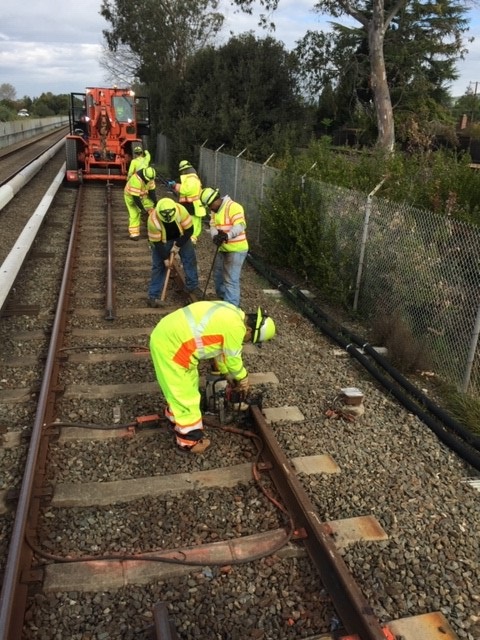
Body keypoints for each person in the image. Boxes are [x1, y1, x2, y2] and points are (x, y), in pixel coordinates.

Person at [149, 301, 276, 454]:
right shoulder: (237, 329)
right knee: (185, 394)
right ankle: (189, 442)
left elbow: (221, 351)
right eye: (248, 339)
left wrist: (225, 374)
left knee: (188, 384)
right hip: (173, 347)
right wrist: (243, 378)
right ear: (249, 330)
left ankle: (174, 414)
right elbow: (233, 360)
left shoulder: (233, 312)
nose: (245, 341)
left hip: (170, 335)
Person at [147, 197, 203, 307]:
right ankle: (153, 296)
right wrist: (165, 259)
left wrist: (178, 245)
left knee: (190, 260)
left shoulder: (181, 210)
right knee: (158, 267)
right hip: (162, 241)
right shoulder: (152, 220)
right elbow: (156, 243)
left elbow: (189, 230)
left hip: (182, 237)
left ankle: (192, 287)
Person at [200, 187, 248, 307]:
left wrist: (227, 235)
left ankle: (231, 307)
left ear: (215, 201)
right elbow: (212, 225)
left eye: (210, 206)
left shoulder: (234, 207)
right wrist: (215, 236)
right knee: (218, 274)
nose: (210, 209)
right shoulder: (214, 211)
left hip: (237, 249)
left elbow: (240, 226)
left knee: (231, 279)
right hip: (223, 248)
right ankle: (222, 299)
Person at [168, 160, 206, 244]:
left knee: (192, 223)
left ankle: (190, 240)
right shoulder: (192, 178)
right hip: (191, 205)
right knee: (192, 223)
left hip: (192, 205)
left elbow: (186, 190)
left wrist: (175, 186)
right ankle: (189, 239)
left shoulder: (191, 178)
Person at [124, 166, 157, 240]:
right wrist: (142, 209)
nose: (148, 181)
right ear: (144, 176)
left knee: (151, 208)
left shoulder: (150, 178)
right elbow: (136, 198)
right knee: (135, 213)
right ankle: (134, 234)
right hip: (131, 197)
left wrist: (155, 203)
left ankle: (151, 228)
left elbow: (152, 192)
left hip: (143, 195)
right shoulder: (135, 180)